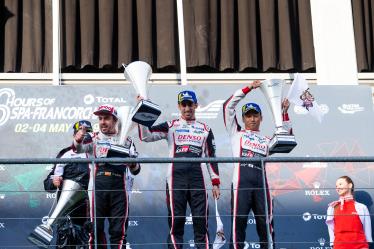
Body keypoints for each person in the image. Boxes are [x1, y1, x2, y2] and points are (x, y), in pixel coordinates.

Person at [137, 90, 220, 249]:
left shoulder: (205, 129)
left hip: (198, 179)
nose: (187, 108)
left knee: (201, 222)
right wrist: (143, 112)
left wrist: (215, 182)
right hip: (176, 179)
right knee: (176, 223)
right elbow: (146, 136)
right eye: (184, 104)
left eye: (190, 104)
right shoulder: (170, 126)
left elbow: (212, 156)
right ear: (179, 106)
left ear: (196, 105)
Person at [222, 80, 292, 249]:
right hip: (241, 184)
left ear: (261, 118)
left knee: (265, 224)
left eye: (255, 115)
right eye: (248, 115)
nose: (252, 119)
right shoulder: (236, 133)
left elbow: (286, 141)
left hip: (262, 186)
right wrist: (248, 88)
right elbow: (227, 107)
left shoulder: (267, 140)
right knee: (238, 224)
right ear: (243, 118)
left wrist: (284, 114)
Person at [73, 104, 141, 249]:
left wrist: (132, 163)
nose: (103, 122)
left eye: (107, 118)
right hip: (98, 189)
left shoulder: (127, 141)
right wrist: (77, 140)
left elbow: (136, 170)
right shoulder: (94, 137)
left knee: (119, 233)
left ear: (115, 120)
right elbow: (79, 149)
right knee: (95, 231)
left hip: (119, 190)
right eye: (100, 118)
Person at [43, 120, 93, 248]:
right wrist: (54, 182)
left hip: (86, 212)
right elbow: (48, 185)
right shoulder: (64, 154)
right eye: (80, 131)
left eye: (86, 133)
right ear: (74, 134)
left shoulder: (96, 154)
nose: (82, 135)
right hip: (65, 212)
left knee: (85, 245)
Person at [326, 176, 372, 249]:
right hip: (339, 246)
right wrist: (332, 244)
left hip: (360, 246)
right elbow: (331, 229)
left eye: (340, 184)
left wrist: (367, 243)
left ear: (350, 185)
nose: (337, 187)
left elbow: (367, 229)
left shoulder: (361, 207)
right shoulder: (332, 207)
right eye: (336, 186)